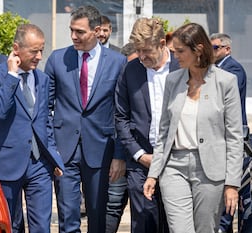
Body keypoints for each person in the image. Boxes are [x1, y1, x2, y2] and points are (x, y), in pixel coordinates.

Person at [143, 22, 243, 233]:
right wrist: (153, 174)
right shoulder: (173, 81)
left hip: (210, 170)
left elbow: (234, 137)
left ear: (198, 49)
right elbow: (163, 133)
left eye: (180, 51)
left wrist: (232, 184)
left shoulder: (226, 81)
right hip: (173, 168)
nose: (175, 56)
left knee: (206, 229)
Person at [45, 5, 127, 232]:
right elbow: (46, 108)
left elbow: (121, 112)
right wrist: (52, 148)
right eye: (71, 30)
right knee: (67, 214)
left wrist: (119, 155)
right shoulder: (57, 59)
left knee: (98, 214)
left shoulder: (117, 62)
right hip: (64, 151)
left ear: (97, 31)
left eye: (79, 32)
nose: (73, 36)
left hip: (101, 150)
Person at [0, 23, 64, 233]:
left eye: (41, 50)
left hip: (39, 165)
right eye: (33, 51)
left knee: (41, 227)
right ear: (16, 48)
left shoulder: (43, 79)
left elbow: (45, 120)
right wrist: (12, 76)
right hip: (8, 164)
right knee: (12, 225)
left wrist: (53, 155)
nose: (39, 56)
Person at [114, 17, 180, 233]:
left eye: (146, 51)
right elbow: (121, 118)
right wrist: (139, 154)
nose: (141, 56)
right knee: (144, 225)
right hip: (140, 163)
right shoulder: (129, 71)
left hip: (178, 161)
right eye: (138, 50)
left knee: (176, 224)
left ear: (162, 44)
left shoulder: (182, 68)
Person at [210, 33, 251, 233]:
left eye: (215, 47)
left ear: (227, 49)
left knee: (231, 192)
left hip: (233, 140)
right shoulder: (216, 69)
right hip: (217, 139)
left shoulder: (233, 69)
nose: (212, 51)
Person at [97, 14, 129, 233]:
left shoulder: (120, 56)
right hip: (99, 140)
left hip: (122, 138)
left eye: (106, 30)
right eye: (98, 29)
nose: (102, 34)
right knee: (107, 201)